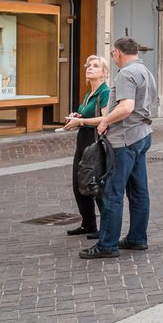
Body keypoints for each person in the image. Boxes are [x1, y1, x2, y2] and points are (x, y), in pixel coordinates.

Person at [83, 37, 157, 259]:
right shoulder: (146, 71)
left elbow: (126, 106)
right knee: (138, 192)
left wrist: (105, 121)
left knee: (112, 193)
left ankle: (107, 244)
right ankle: (136, 238)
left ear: (117, 53)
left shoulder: (126, 73)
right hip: (142, 134)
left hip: (124, 138)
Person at [62, 55, 110, 238]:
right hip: (82, 142)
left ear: (104, 73)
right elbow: (87, 115)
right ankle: (88, 224)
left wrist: (81, 123)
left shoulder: (105, 92)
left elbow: (106, 118)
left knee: (94, 185)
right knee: (78, 184)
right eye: (88, 65)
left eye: (95, 66)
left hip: (94, 141)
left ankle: (106, 227)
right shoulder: (88, 93)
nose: (90, 68)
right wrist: (77, 117)